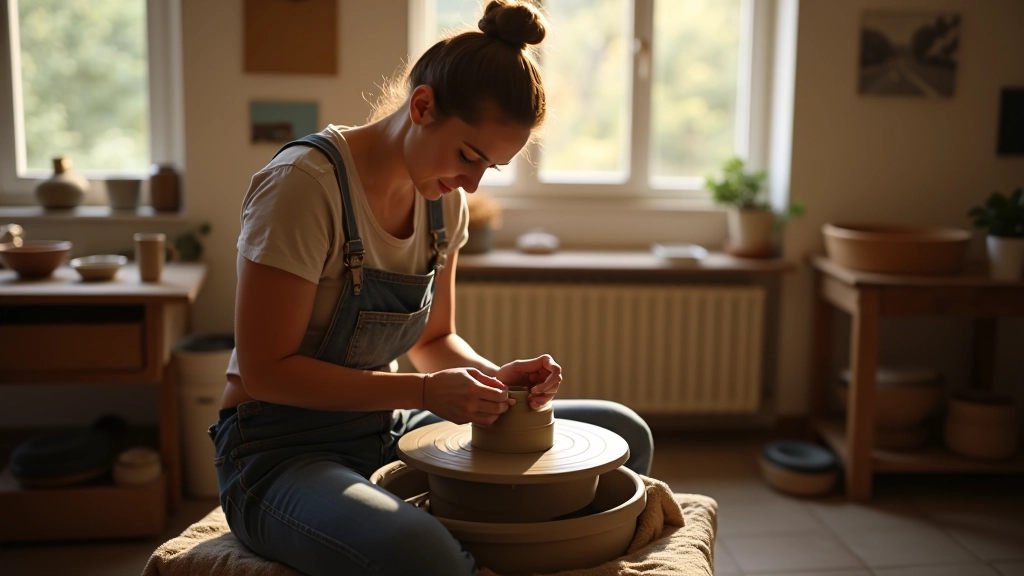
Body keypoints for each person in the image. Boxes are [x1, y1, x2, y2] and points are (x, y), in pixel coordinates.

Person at [208, 2, 653, 575]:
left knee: (624, 434)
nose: (472, 182)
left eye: (490, 168)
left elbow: (435, 340)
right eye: (469, 156)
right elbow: (265, 372)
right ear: (422, 106)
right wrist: (422, 393)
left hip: (383, 428)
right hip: (276, 452)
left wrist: (497, 382)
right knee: (419, 554)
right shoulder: (303, 187)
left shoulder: (445, 203)